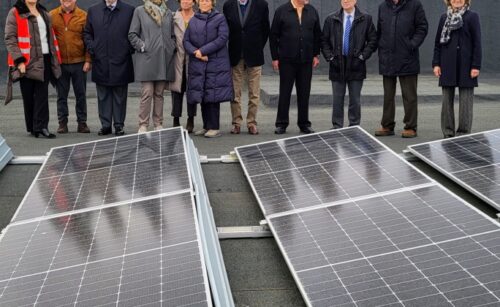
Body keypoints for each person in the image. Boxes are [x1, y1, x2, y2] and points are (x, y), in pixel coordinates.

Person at [5, 0, 62, 138]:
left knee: (42, 94)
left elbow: (50, 38)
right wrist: (19, 61)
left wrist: (55, 60)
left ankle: (42, 126)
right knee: (28, 95)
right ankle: (32, 127)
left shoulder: (44, 12)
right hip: (26, 61)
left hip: (45, 58)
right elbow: (10, 38)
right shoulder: (15, 12)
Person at [374, 0, 428, 138]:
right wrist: (381, 48)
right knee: (388, 96)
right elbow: (379, 31)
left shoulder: (415, 5)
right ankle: (387, 126)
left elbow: (422, 27)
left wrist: (411, 45)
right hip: (387, 58)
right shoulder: (383, 6)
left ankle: (410, 127)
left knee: (409, 96)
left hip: (407, 58)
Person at [321, 0, 377, 129]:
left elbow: (373, 40)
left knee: (355, 100)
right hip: (337, 64)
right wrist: (330, 57)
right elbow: (323, 40)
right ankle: (336, 126)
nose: (345, 1)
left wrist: (363, 56)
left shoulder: (366, 19)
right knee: (337, 99)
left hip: (356, 64)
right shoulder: (331, 19)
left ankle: (354, 126)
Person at [83, 0, 135, 136]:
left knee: (120, 95)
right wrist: (92, 47)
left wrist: (127, 49)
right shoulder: (93, 10)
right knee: (103, 95)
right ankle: (105, 125)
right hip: (101, 60)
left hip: (122, 60)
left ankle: (119, 125)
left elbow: (135, 32)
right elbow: (87, 33)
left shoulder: (129, 10)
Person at [270, 0, 321, 135]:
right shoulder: (281, 11)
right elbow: (273, 35)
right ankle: (281, 124)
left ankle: (304, 124)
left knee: (304, 93)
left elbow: (317, 34)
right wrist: (275, 57)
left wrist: (316, 54)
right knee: (285, 92)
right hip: (286, 60)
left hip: (306, 60)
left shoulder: (312, 11)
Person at [184, 0, 233, 138]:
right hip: (199, 62)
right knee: (203, 94)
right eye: (202, 1)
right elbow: (185, 41)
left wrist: (203, 51)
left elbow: (222, 38)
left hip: (215, 63)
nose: (204, 3)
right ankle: (206, 126)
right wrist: (196, 53)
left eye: (207, 1)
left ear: (212, 3)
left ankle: (214, 127)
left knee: (213, 95)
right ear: (198, 4)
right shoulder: (194, 20)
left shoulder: (220, 18)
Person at [433, 0, 481, 138]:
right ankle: (448, 133)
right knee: (446, 102)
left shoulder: (472, 17)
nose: (457, 0)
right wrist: (436, 64)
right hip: (447, 65)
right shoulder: (444, 18)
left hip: (467, 66)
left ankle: (463, 134)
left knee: (466, 103)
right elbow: (438, 43)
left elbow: (477, 43)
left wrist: (475, 66)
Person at [223, 0, 270, 135]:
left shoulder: (262, 4)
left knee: (254, 92)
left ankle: (251, 123)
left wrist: (257, 46)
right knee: (235, 92)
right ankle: (236, 123)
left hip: (254, 54)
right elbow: (226, 29)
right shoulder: (228, 5)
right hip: (235, 54)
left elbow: (265, 29)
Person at [129, 0, 176, 133]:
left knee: (159, 94)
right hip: (147, 59)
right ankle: (143, 124)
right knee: (147, 93)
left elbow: (172, 35)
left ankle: (158, 124)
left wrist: (170, 47)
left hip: (163, 59)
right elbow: (132, 34)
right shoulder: (140, 11)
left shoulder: (167, 13)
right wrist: (143, 46)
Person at [50, 0, 91, 134]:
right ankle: (62, 123)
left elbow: (88, 40)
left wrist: (88, 60)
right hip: (60, 64)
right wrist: (53, 62)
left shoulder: (83, 16)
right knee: (61, 95)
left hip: (79, 63)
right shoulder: (52, 15)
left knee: (81, 94)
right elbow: (49, 41)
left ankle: (82, 123)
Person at [167, 0, 197, 133]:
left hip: (193, 59)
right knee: (176, 91)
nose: (185, 1)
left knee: (192, 90)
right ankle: (176, 119)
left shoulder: (198, 17)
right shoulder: (173, 17)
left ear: (194, 2)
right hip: (177, 58)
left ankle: (191, 119)